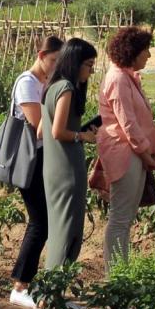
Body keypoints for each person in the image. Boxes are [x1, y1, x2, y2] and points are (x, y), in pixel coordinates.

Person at [94, 26, 155, 268]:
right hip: (125, 153)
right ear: (132, 51)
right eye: (145, 50)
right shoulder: (118, 79)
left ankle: (120, 271)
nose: (149, 55)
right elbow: (128, 124)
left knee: (125, 217)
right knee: (121, 218)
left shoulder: (126, 77)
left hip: (132, 152)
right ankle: (115, 275)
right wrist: (147, 156)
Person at [6, 35, 63, 309]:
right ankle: (20, 286)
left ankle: (25, 282)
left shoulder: (45, 82)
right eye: (53, 61)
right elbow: (39, 126)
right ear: (41, 55)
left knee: (45, 221)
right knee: (40, 221)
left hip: (42, 157)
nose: (55, 66)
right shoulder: (27, 83)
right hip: (29, 158)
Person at [41, 38, 100, 271]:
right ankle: (52, 285)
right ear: (75, 62)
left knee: (60, 229)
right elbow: (57, 131)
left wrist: (79, 131)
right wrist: (82, 136)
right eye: (89, 65)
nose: (91, 71)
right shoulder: (66, 88)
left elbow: (44, 129)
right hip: (67, 171)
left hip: (55, 169)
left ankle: (52, 284)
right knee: (68, 232)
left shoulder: (53, 86)